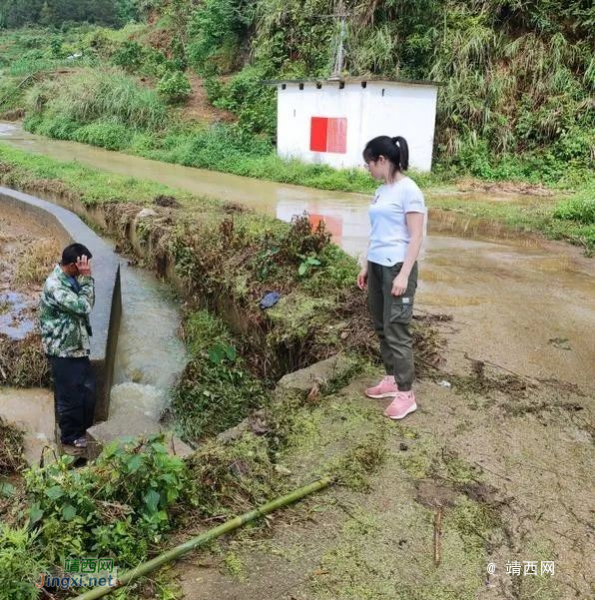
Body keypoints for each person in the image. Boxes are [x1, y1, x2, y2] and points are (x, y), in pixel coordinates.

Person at [357, 136, 426, 420]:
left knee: (397, 329)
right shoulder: (381, 191)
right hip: (376, 265)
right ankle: (390, 379)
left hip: (398, 267)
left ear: (382, 161)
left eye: (368, 164)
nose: (367, 169)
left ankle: (406, 394)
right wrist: (365, 265)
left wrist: (404, 274)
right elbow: (377, 232)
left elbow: (416, 235)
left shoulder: (409, 191)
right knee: (382, 325)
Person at [39, 243, 96, 449]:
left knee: (87, 390)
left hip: (76, 347)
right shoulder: (56, 285)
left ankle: (82, 431)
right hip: (62, 350)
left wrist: (84, 280)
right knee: (70, 396)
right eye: (83, 266)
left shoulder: (70, 278)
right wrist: (87, 279)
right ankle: (70, 437)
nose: (87, 269)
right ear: (74, 265)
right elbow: (84, 306)